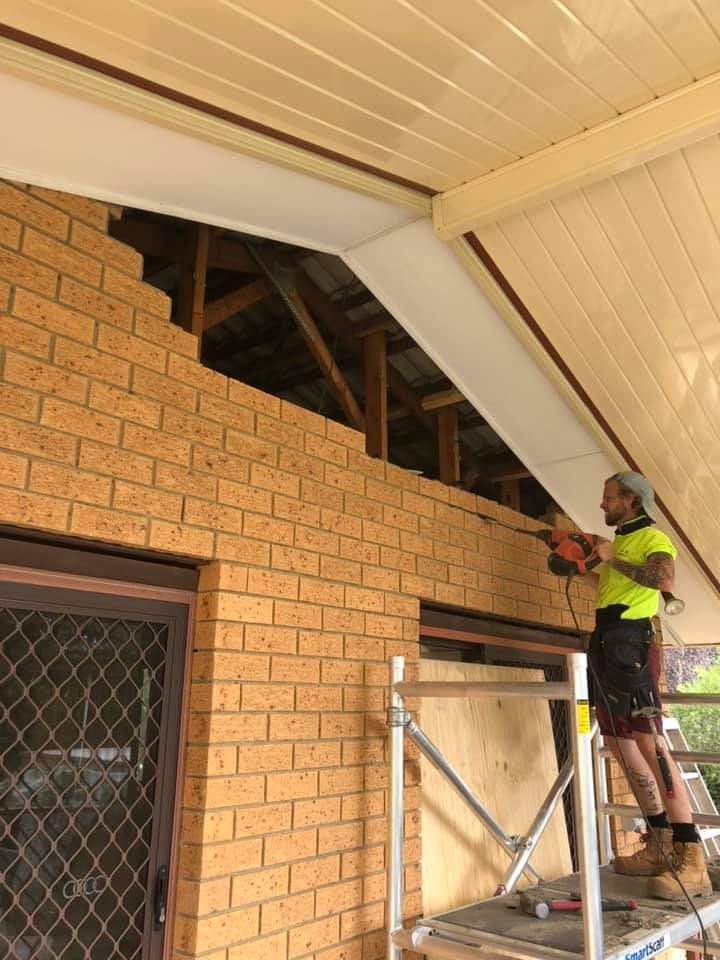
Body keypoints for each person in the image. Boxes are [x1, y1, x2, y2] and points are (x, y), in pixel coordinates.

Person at [591, 470, 711, 899]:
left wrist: (610, 559)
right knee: (619, 743)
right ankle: (659, 841)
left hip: (633, 643)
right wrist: (583, 562)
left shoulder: (652, 539)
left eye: (609, 497)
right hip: (606, 640)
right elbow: (615, 583)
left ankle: (691, 854)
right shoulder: (620, 543)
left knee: (648, 744)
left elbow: (661, 579)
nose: (602, 504)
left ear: (632, 500)